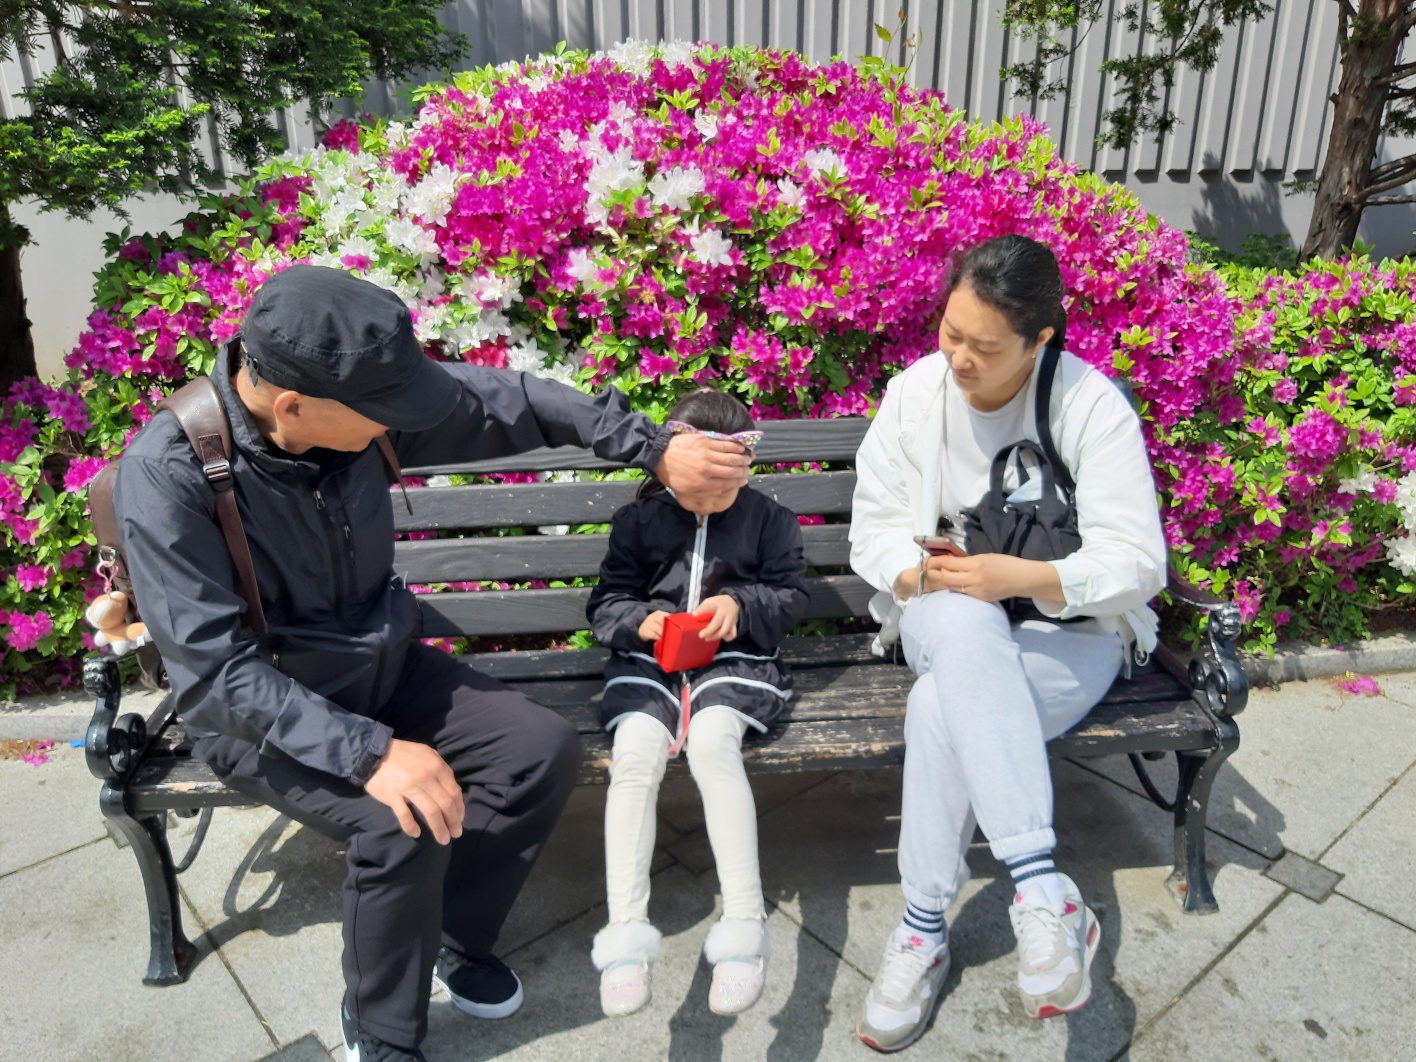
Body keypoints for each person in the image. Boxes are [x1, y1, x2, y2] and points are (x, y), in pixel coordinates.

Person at [113, 266, 753, 1062]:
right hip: (260, 715)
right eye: (388, 414)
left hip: (382, 667)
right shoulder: (169, 474)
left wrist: (654, 449)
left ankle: (448, 930)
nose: (406, 423)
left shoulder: (359, 406)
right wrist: (372, 754)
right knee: (398, 819)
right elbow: (217, 672)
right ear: (293, 407)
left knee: (538, 751)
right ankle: (381, 1032)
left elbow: (518, 400)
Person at [848, 235, 1167, 1052]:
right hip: (943, 608)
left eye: (984, 348)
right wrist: (929, 574)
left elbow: (1138, 562)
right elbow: (872, 534)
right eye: (950, 332)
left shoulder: (1088, 404)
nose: (958, 358)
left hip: (1070, 634)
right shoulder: (914, 395)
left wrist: (1016, 577)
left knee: (940, 710)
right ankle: (1041, 888)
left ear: (1039, 340)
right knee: (961, 622)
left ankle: (922, 928)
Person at [584, 388, 809, 1019]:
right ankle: (625, 937)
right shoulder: (638, 521)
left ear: (745, 469)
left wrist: (740, 604)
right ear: (671, 469)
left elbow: (790, 597)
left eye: (723, 492)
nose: (707, 503)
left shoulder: (770, 520)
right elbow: (606, 603)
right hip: (649, 666)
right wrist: (641, 621)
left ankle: (744, 928)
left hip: (736, 665)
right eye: (694, 492)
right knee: (634, 755)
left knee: (713, 742)